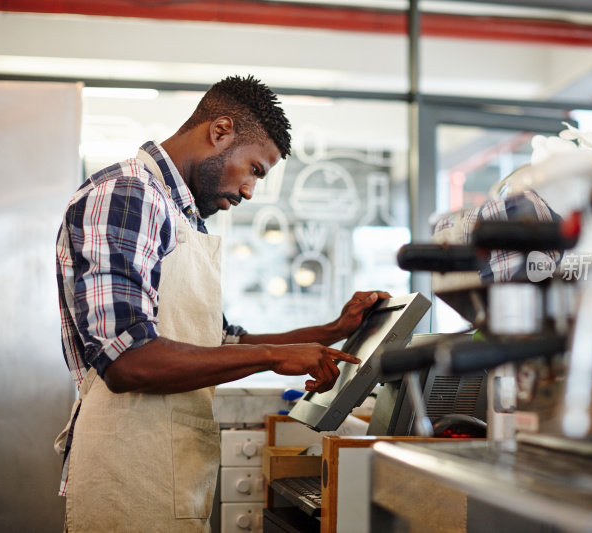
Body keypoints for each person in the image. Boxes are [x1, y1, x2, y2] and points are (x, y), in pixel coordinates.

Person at [54, 75, 389, 532]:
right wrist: (273, 357)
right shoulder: (129, 195)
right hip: (127, 467)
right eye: (255, 169)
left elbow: (224, 340)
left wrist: (331, 330)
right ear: (220, 131)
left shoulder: (180, 214)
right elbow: (128, 359)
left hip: (165, 467)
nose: (251, 191)